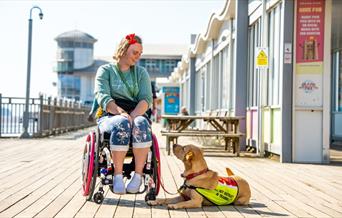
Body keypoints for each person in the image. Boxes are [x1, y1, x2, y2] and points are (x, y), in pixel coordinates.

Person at [94, 33, 152, 194]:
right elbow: (103, 96)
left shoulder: (141, 73)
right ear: (124, 49)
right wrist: (121, 113)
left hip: (135, 112)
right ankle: (118, 176)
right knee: (121, 122)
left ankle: (138, 176)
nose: (138, 57)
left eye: (140, 54)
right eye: (135, 52)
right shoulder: (105, 71)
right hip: (110, 114)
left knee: (141, 123)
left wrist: (132, 115)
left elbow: (146, 99)